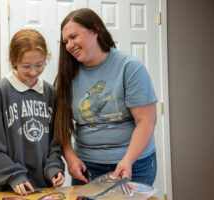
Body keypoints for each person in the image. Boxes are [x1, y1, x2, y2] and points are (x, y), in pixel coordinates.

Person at [54, 8, 158, 186]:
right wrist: (71, 159)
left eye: (74, 37)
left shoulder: (130, 67)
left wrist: (128, 160)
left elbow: (146, 121)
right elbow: (61, 125)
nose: (69, 45)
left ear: (95, 31)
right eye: (65, 41)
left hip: (134, 163)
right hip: (88, 167)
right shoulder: (66, 76)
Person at [0, 29, 65, 196]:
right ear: (13, 61)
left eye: (39, 65)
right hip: (12, 191)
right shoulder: (0, 92)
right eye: (26, 66)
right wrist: (14, 175)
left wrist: (54, 169)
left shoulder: (50, 93)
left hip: (45, 190)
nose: (33, 72)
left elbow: (55, 142)